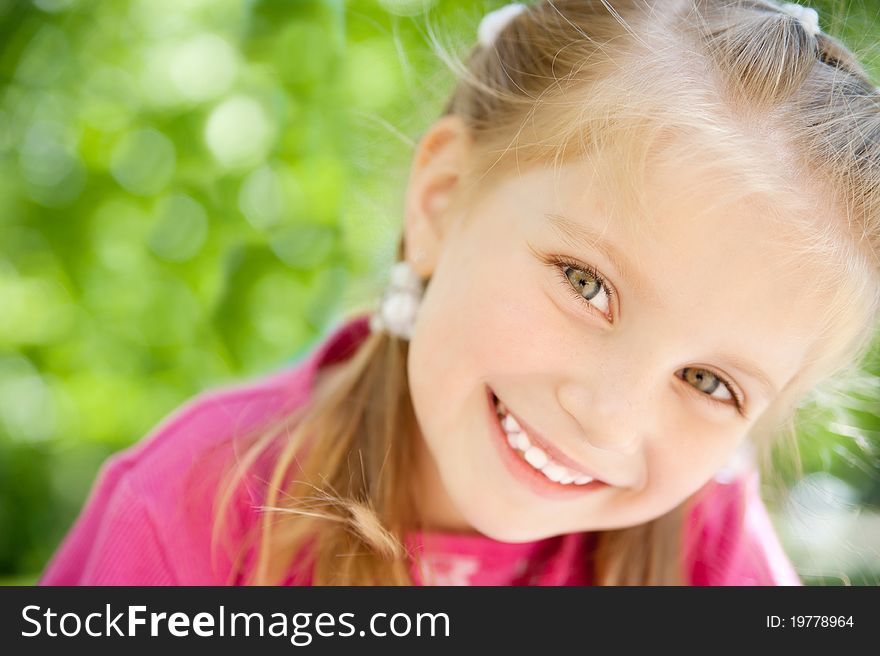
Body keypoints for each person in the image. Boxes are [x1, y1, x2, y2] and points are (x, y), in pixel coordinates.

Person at [39, 0, 880, 586]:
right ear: (441, 201)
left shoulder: (708, 552)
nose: (609, 415)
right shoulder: (200, 505)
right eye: (586, 285)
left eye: (710, 383)